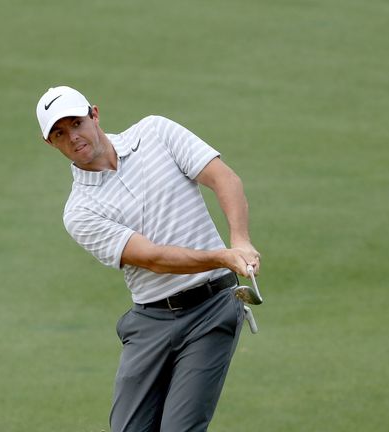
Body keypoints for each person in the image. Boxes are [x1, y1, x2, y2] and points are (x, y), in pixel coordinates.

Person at [35, 85, 261, 432]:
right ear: (51, 144)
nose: (73, 136)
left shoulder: (155, 132)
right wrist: (222, 256)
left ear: (95, 115)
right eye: (60, 133)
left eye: (77, 123)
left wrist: (241, 241)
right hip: (150, 321)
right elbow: (154, 258)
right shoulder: (79, 212)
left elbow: (223, 178)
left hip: (212, 308)